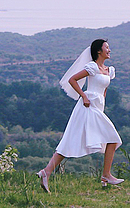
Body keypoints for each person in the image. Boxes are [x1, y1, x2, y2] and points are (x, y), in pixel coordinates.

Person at [38, 38, 124, 191]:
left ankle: (46, 172)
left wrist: (102, 103)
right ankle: (106, 175)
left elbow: (103, 90)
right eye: (107, 47)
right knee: (110, 138)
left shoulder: (109, 70)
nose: (109, 50)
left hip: (97, 108)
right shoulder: (92, 67)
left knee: (105, 139)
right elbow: (73, 80)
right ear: (99, 51)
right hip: (87, 106)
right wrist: (83, 96)